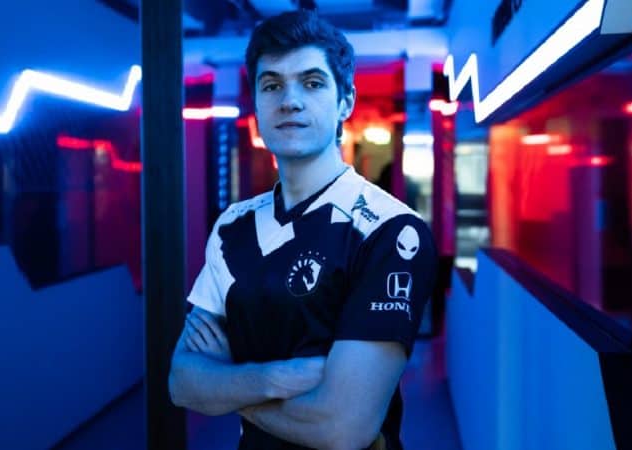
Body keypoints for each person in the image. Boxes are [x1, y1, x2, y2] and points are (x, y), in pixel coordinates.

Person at [168, 9, 437, 450]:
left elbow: (341, 429)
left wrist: (226, 388)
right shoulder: (233, 227)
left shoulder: (390, 232)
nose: (289, 100)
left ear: (345, 101)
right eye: (271, 85)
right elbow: (182, 382)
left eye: (312, 83)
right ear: (256, 105)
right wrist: (275, 377)